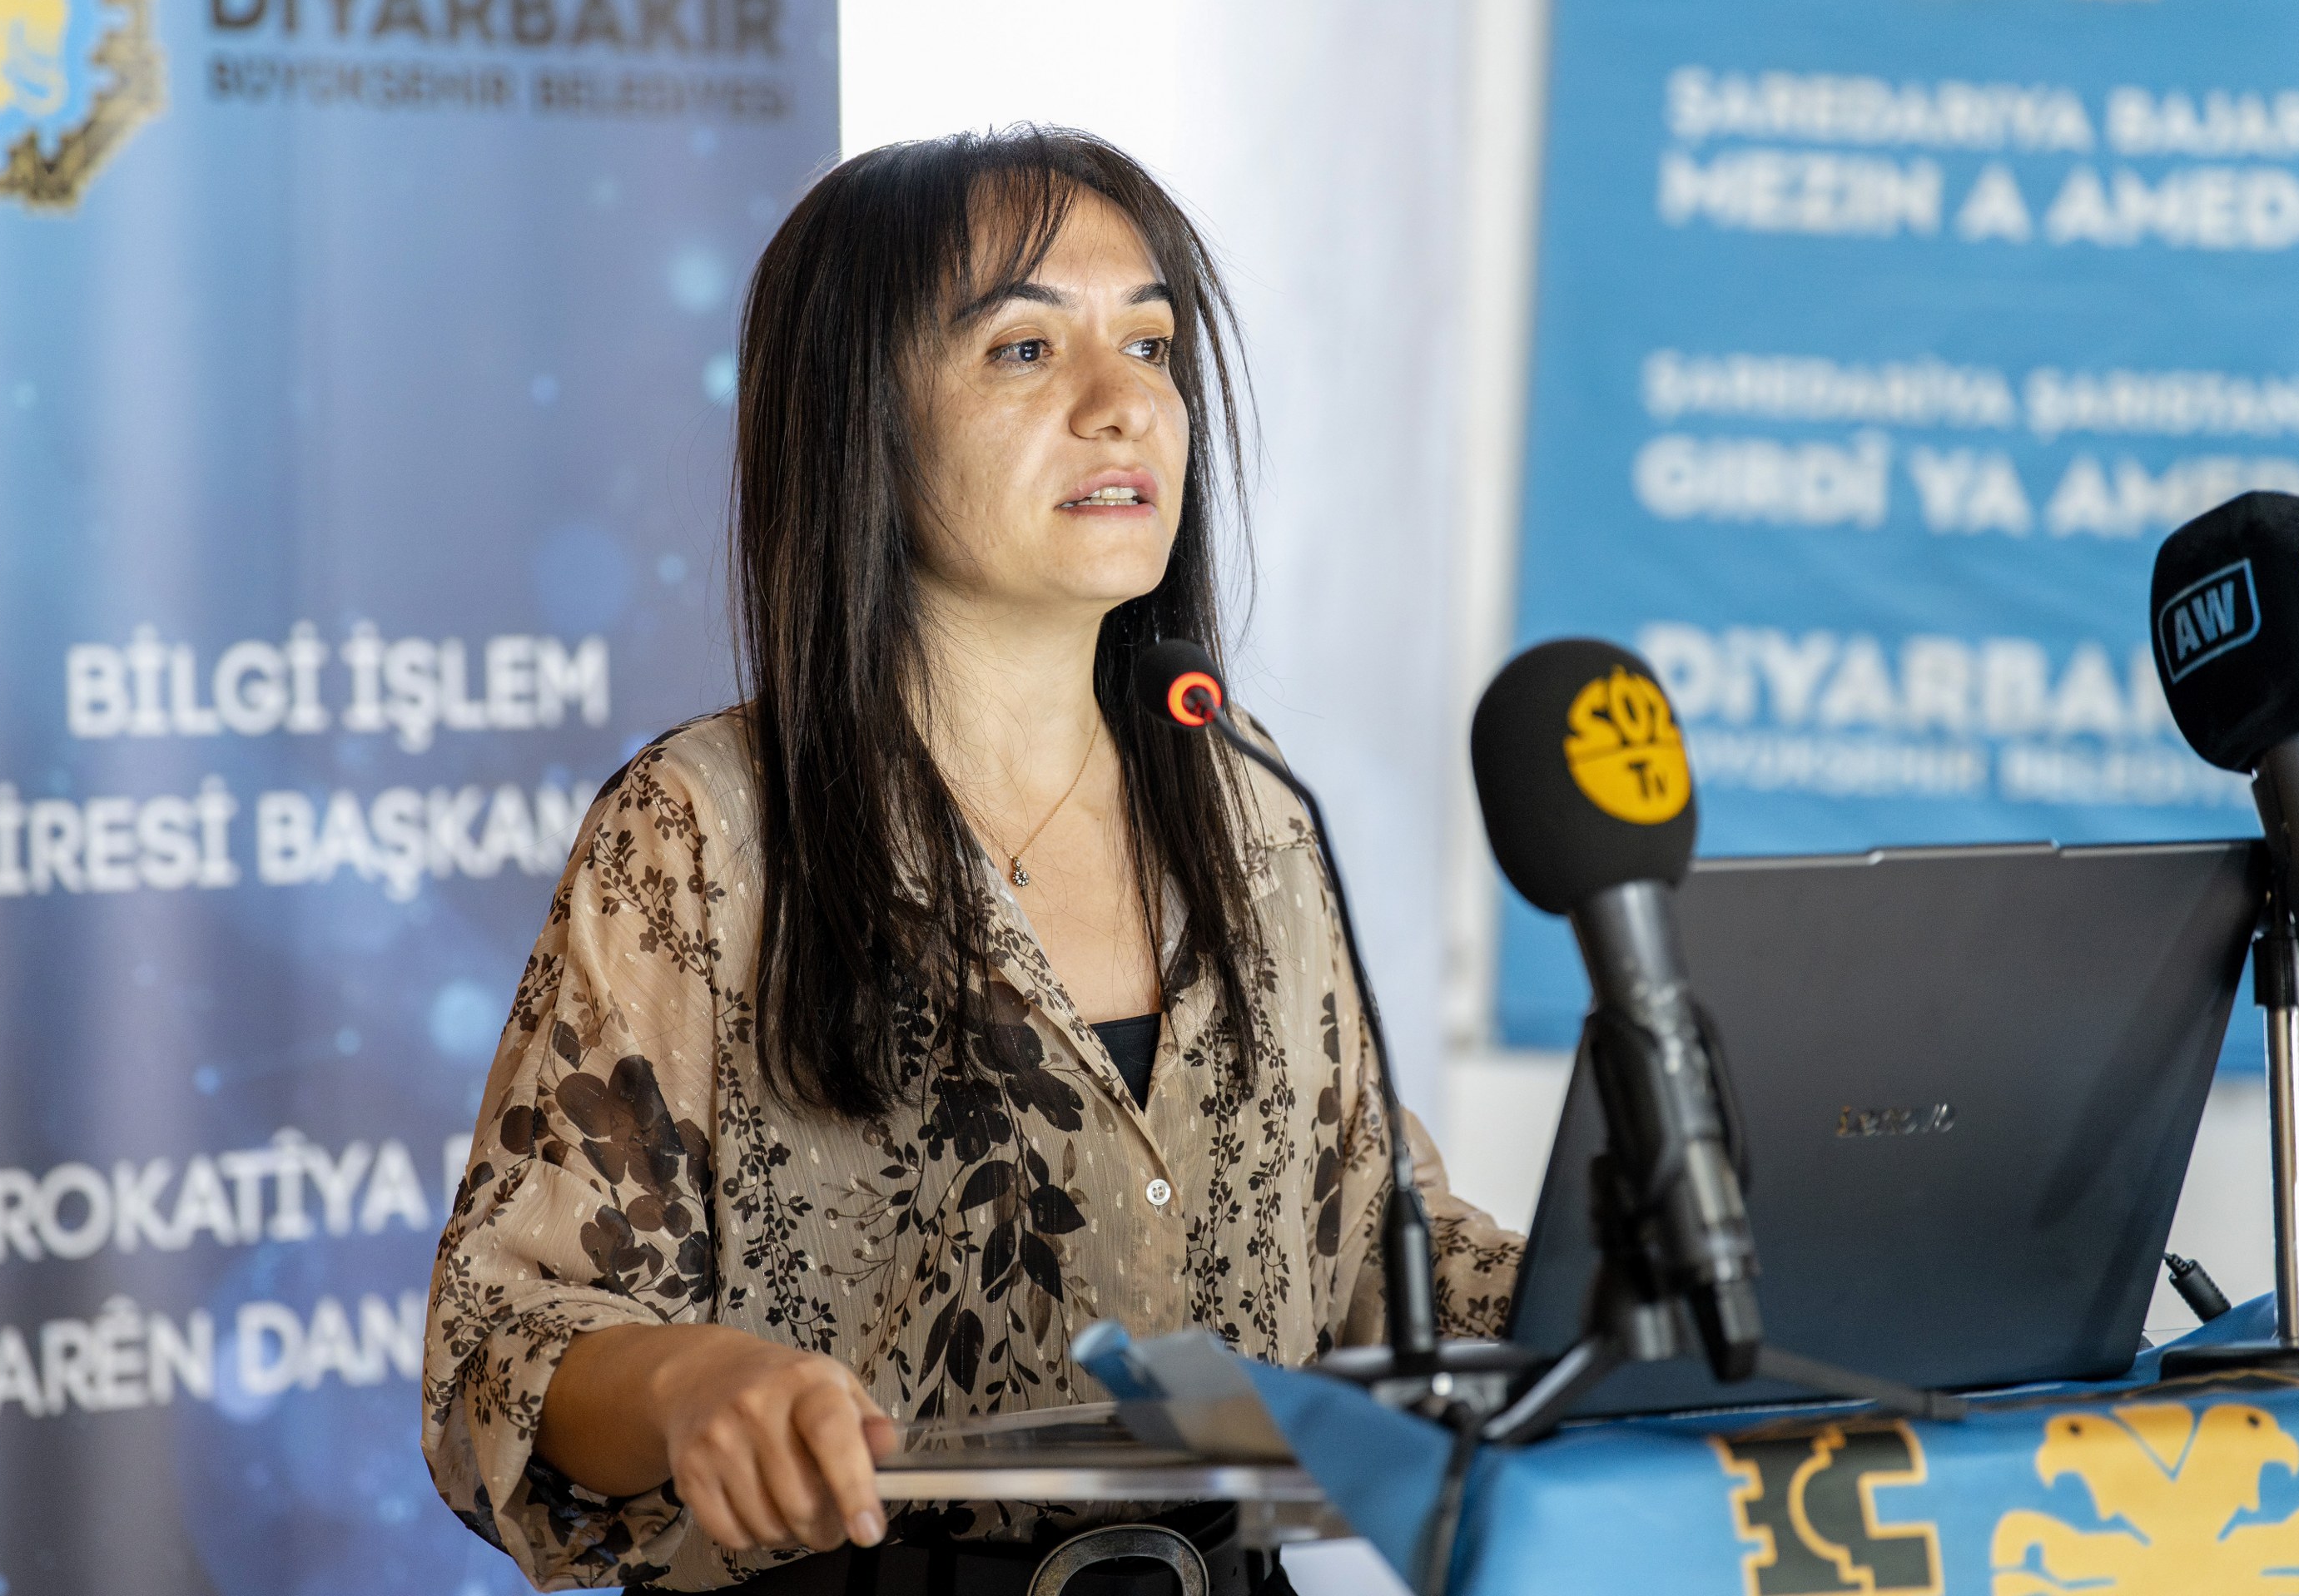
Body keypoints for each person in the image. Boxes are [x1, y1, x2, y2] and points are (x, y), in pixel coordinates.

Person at [422, 126, 1522, 1594]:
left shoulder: (1245, 792)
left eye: (1151, 344)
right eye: (1025, 349)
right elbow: (502, 1340)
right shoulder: (707, 829)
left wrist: (1659, 1307)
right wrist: (690, 1387)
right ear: (860, 420)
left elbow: (1378, 1250)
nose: (1123, 403)